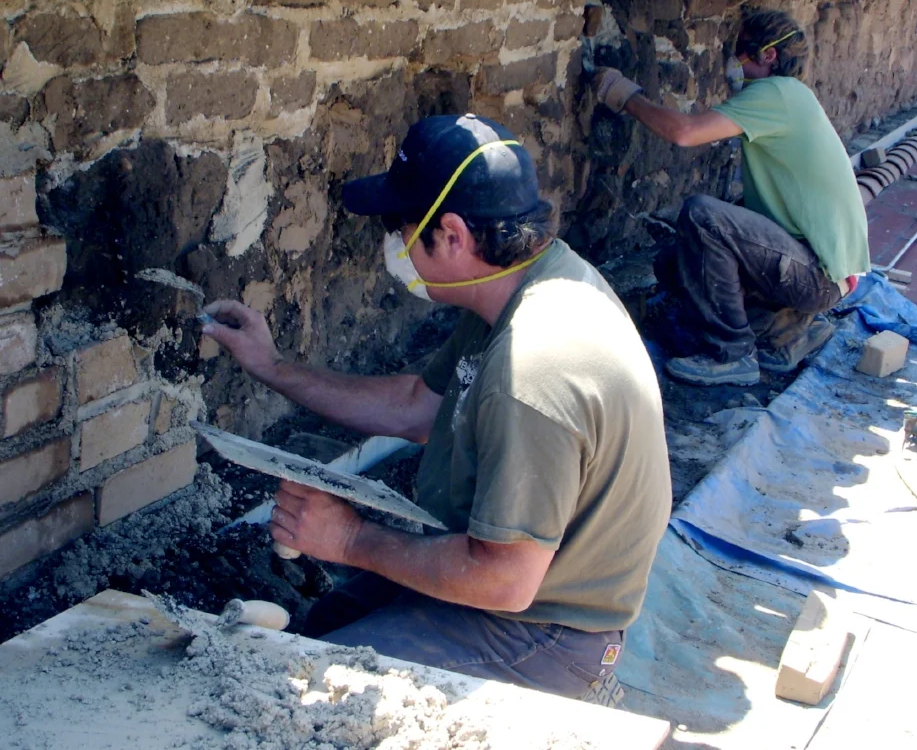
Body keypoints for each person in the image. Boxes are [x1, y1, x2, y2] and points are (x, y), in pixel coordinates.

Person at [202, 113, 671, 706]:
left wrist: (348, 539)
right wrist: (271, 367)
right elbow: (413, 408)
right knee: (321, 626)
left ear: (451, 235)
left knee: (294, 696)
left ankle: (576, 697)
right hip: (517, 590)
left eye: (401, 227)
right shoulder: (524, 288)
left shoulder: (532, 365)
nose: (393, 245)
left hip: (541, 631)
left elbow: (505, 579)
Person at [593, 9, 870, 387]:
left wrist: (625, 95)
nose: (733, 62)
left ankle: (731, 353)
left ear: (768, 55)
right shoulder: (793, 98)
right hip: (824, 275)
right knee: (676, 265)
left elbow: (685, 132)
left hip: (815, 277)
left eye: (742, 52)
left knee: (704, 216)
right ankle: (788, 330)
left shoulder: (775, 93)